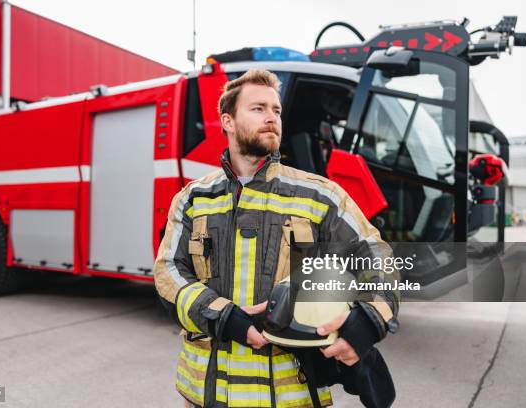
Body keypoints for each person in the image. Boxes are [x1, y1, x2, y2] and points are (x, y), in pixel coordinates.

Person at [153, 69, 399, 408]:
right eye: (258, 109)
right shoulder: (193, 199)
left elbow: (376, 256)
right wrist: (224, 317)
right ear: (228, 121)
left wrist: (367, 321)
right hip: (206, 396)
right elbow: (168, 271)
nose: (271, 117)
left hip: (291, 398)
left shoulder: (320, 195)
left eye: (277, 110)